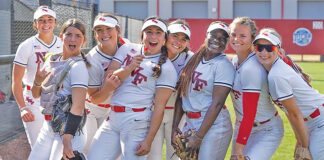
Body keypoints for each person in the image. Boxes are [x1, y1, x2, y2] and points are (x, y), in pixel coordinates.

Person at [87, 16, 177, 160]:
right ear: (142, 35)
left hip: (137, 121)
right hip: (113, 118)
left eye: (158, 32)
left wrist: (149, 140)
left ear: (165, 38)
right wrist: (129, 68)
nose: (153, 36)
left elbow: (159, 107)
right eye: (149, 32)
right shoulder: (127, 48)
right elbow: (108, 78)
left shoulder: (167, 68)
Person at [254, 28, 324, 160]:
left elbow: (294, 114)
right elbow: (289, 112)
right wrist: (299, 140)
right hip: (311, 121)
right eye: (260, 47)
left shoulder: (277, 75)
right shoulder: (273, 69)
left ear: (278, 50)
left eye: (270, 48)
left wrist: (304, 145)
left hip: (320, 120)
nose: (264, 52)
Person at [171, 21, 234, 160]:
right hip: (191, 122)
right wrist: (174, 127)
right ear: (206, 36)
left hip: (215, 126)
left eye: (223, 37)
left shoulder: (224, 65)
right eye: (214, 35)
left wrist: (199, 137)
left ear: (227, 42)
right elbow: (182, 96)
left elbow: (217, 103)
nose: (217, 40)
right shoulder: (194, 59)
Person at [28, 18, 89, 160]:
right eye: (68, 34)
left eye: (78, 36)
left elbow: (78, 107)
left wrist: (67, 140)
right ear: (61, 36)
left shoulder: (78, 66)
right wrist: (37, 81)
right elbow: (36, 95)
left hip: (68, 130)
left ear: (84, 40)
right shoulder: (52, 60)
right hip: (48, 126)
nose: (72, 39)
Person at [229, 17, 284, 160]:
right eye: (234, 34)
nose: (236, 39)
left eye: (243, 36)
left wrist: (238, 149)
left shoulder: (251, 68)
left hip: (266, 129)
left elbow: (250, 114)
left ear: (253, 39)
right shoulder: (236, 60)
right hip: (245, 126)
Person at [12, 6, 62, 148]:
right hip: (33, 100)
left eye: (49, 20)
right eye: (41, 20)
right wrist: (23, 108)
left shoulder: (62, 44)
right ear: (35, 24)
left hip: (56, 97)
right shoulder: (26, 46)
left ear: (55, 23)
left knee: (57, 147)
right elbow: (16, 82)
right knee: (38, 146)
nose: (46, 24)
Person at [147, 19, 193, 160]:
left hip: (177, 113)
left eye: (183, 38)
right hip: (154, 112)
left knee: (175, 156)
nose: (178, 42)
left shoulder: (190, 58)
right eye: (175, 36)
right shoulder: (152, 54)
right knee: (153, 156)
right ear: (166, 36)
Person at [83, 13, 124, 154]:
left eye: (109, 29)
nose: (104, 33)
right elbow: (94, 98)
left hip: (113, 109)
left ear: (118, 31)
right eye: (99, 30)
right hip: (91, 110)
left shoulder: (126, 49)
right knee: (89, 149)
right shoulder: (92, 60)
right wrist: (107, 88)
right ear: (95, 34)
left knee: (114, 152)